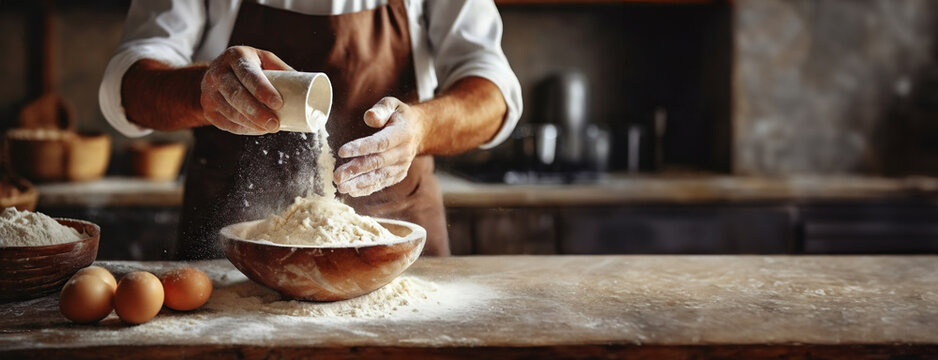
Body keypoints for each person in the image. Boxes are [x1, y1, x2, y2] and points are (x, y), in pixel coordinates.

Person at [99, 0, 522, 259]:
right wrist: (201, 91)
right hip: (235, 256)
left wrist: (423, 127)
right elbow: (129, 84)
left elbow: (494, 93)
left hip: (394, 245)